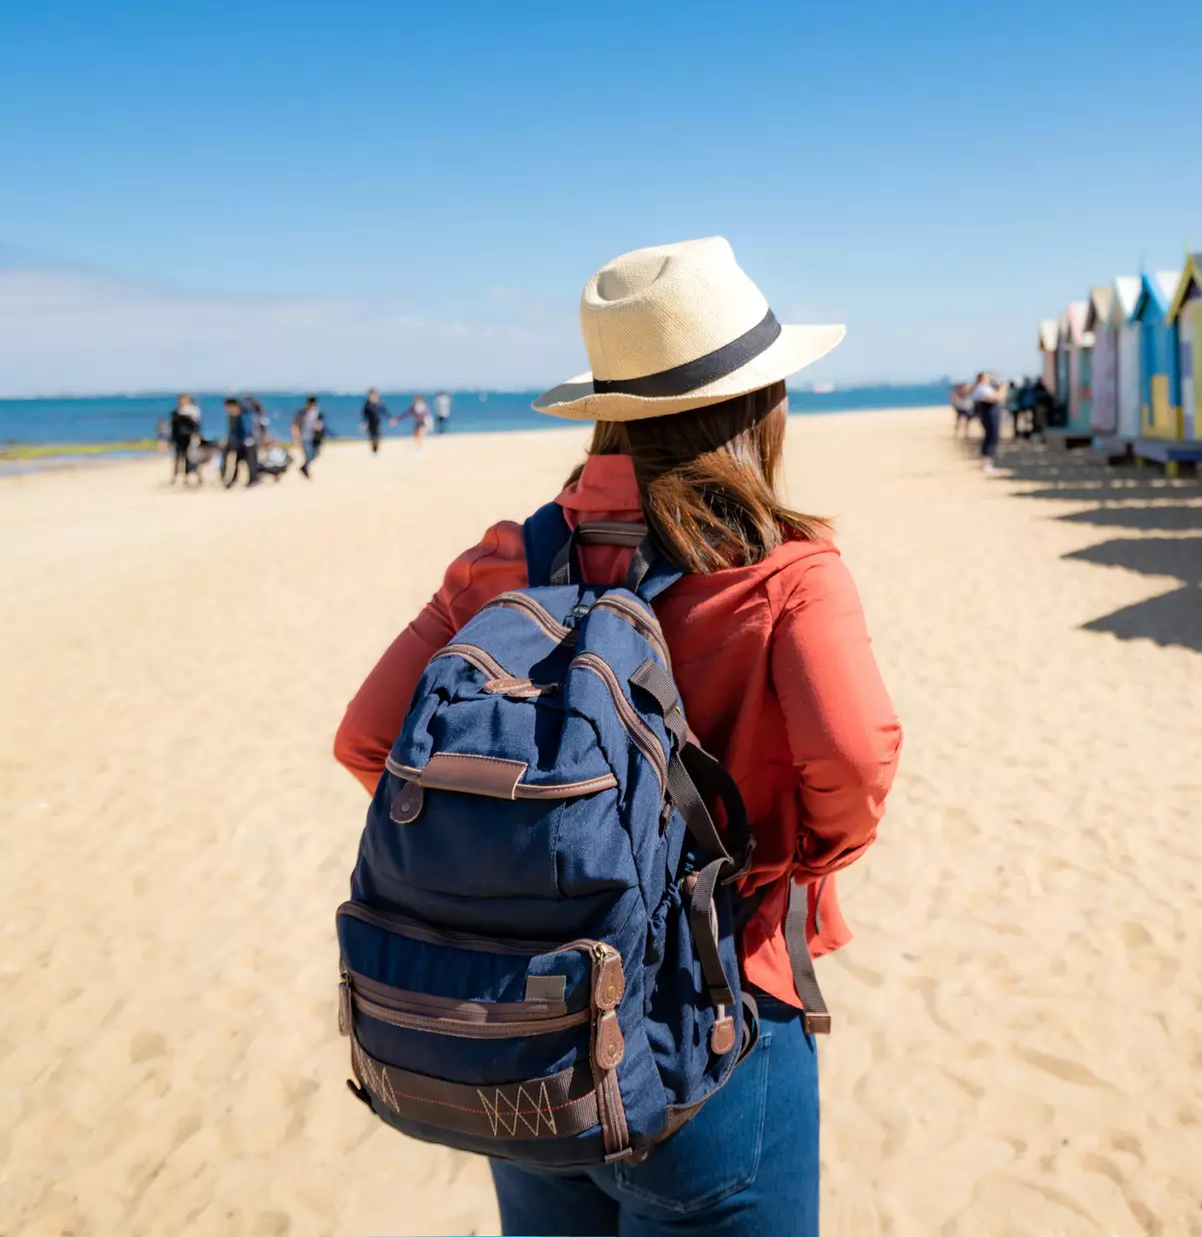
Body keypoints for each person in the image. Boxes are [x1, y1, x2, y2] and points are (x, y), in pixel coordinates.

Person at [332, 236, 900, 1236]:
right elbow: (853, 762)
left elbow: (367, 740)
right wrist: (774, 871)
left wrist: (520, 862)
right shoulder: (786, 573)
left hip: (535, 1033)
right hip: (716, 1013)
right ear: (758, 407)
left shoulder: (509, 557)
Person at [968, 371, 1003, 474]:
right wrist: (1003, 388)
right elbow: (995, 398)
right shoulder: (982, 388)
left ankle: (986, 463)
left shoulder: (984, 388)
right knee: (990, 438)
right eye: (987, 377)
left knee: (990, 438)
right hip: (989, 416)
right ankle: (986, 464)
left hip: (989, 415)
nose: (989, 378)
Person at [221, 396, 255, 488]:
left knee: (250, 463)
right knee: (237, 462)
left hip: (247, 443)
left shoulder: (243, 415)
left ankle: (252, 481)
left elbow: (246, 429)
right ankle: (233, 481)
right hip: (240, 443)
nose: (227, 410)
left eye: (228, 407)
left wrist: (243, 440)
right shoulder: (234, 416)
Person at [167, 394, 201, 484]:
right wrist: (171, 439)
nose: (183, 402)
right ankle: (175, 477)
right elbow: (173, 427)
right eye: (181, 400)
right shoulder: (176, 412)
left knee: (189, 458)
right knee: (177, 458)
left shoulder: (193, 412)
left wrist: (196, 435)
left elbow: (196, 426)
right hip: (178, 438)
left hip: (188, 438)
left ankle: (188, 477)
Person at [291, 395, 325, 478]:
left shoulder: (316, 412)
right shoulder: (301, 413)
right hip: (304, 438)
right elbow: (295, 425)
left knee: (316, 453)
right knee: (308, 455)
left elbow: (320, 423)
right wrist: (296, 437)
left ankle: (304, 467)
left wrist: (319, 428)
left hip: (314, 437)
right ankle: (305, 469)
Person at [362, 389, 388, 455]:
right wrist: (363, 422)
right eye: (371, 394)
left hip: (377, 422)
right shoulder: (367, 404)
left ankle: (377, 450)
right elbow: (364, 413)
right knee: (372, 436)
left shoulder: (379, 403)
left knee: (378, 436)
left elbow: (384, 411)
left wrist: (389, 418)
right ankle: (374, 450)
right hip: (370, 422)